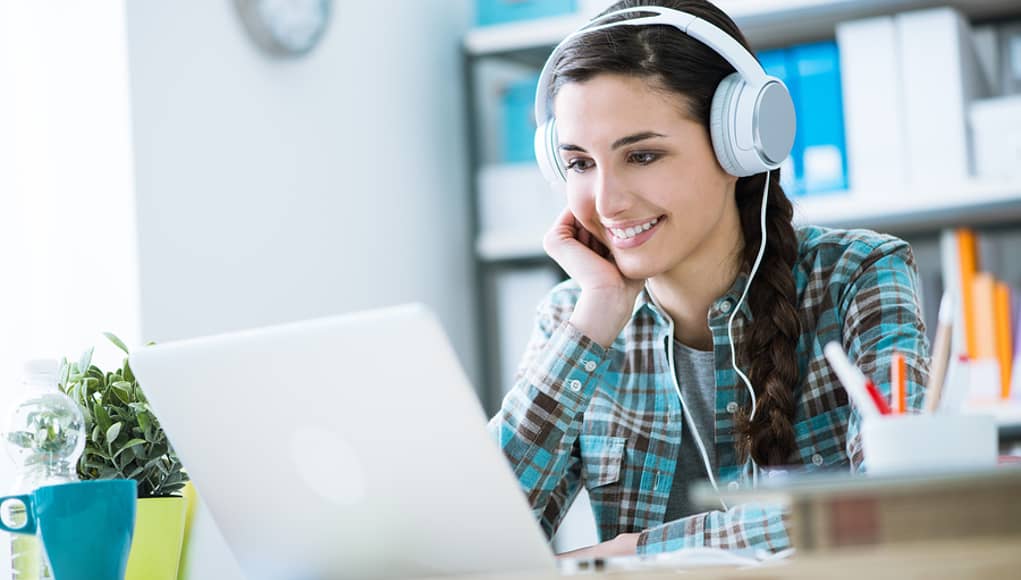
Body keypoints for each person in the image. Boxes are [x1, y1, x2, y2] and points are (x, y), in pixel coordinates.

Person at [487, 0, 930, 559]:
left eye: (642, 155)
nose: (607, 202)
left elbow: (895, 505)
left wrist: (634, 552)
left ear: (740, 144)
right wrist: (594, 318)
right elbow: (477, 539)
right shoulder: (571, 318)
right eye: (579, 163)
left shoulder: (855, 276)